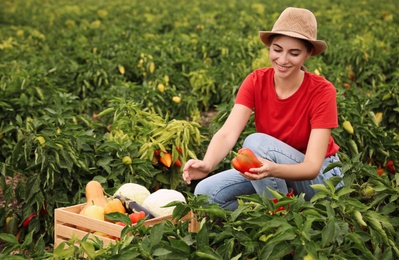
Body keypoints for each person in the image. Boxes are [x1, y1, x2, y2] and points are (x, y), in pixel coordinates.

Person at [182, 7, 343, 211]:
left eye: (294, 53)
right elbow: (227, 132)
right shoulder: (256, 80)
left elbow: (311, 167)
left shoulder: (322, 90)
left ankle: (280, 216)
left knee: (256, 142)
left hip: (323, 180)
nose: (283, 60)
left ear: (308, 54)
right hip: (271, 167)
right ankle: (278, 206)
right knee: (206, 194)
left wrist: (273, 170)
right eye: (277, 50)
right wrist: (207, 164)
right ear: (269, 47)